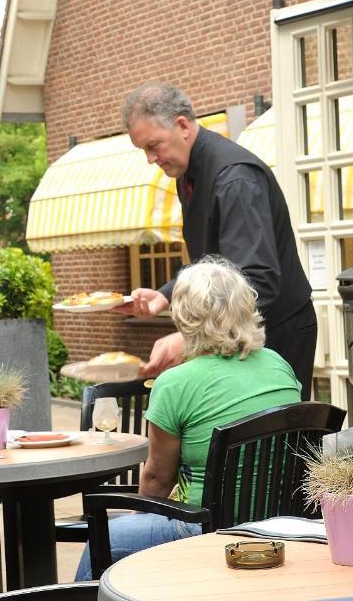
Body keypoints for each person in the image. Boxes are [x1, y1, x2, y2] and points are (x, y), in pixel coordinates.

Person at [75, 257, 302, 579]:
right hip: (279, 524)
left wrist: (140, 518)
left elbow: (157, 479)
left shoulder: (175, 382)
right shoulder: (278, 364)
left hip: (206, 527)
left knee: (107, 538)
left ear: (184, 315)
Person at [119, 81, 316, 399]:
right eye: (143, 149)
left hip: (277, 332)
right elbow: (214, 264)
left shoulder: (234, 178)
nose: (150, 159)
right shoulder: (188, 172)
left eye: (153, 145)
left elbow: (257, 278)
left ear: (182, 125)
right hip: (240, 332)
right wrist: (164, 295)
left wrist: (195, 338)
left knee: (275, 444)